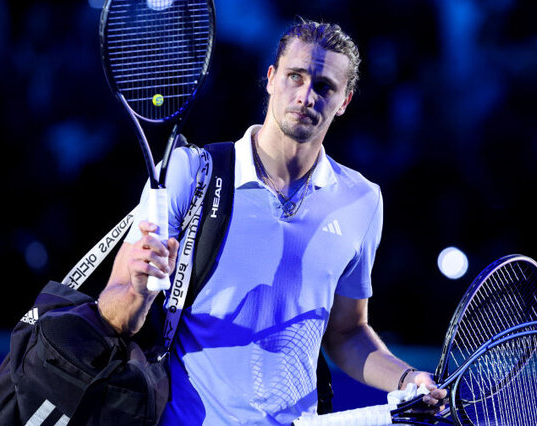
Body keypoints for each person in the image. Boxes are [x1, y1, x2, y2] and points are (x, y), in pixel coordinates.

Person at [98, 18, 446, 425]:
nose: (305, 96)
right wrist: (138, 289)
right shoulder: (190, 173)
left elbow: (347, 333)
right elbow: (116, 315)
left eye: (324, 86)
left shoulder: (362, 201)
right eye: (294, 77)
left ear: (345, 100)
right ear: (271, 78)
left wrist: (407, 378)